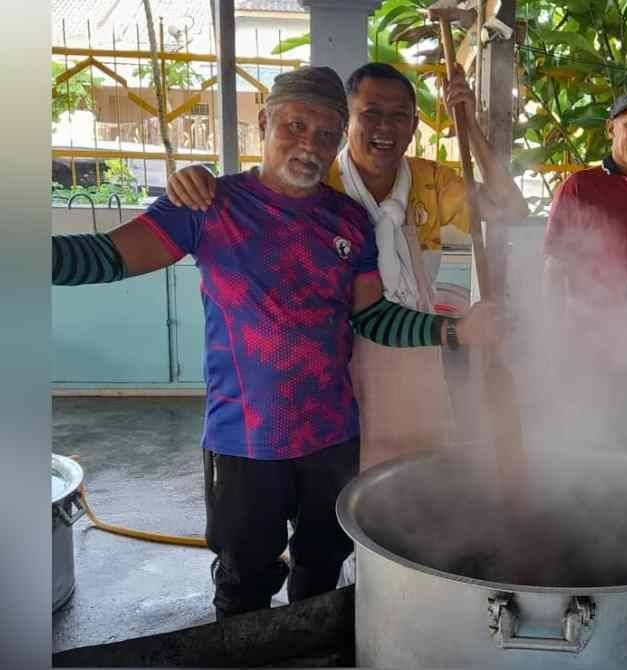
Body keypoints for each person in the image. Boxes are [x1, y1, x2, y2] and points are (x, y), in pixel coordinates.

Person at [51, 66, 499, 618]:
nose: (309, 144)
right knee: (245, 578)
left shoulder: (349, 220)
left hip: (332, 436)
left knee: (322, 567)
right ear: (263, 122)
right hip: (245, 440)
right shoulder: (209, 205)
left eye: (326, 133)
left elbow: (373, 317)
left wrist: (453, 329)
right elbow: (106, 256)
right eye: (294, 125)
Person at [167, 62, 529, 471]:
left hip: (415, 347)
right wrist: (193, 178)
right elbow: (257, 188)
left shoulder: (431, 181)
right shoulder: (319, 182)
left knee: (417, 478)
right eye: (370, 113)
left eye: (399, 116)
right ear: (347, 122)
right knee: (346, 490)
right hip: (332, 366)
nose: (385, 128)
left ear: (413, 127)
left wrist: (469, 125)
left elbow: (510, 209)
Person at [541, 88, 627, 455]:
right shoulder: (581, 188)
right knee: (589, 451)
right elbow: (555, 269)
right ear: (610, 129)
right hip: (588, 353)